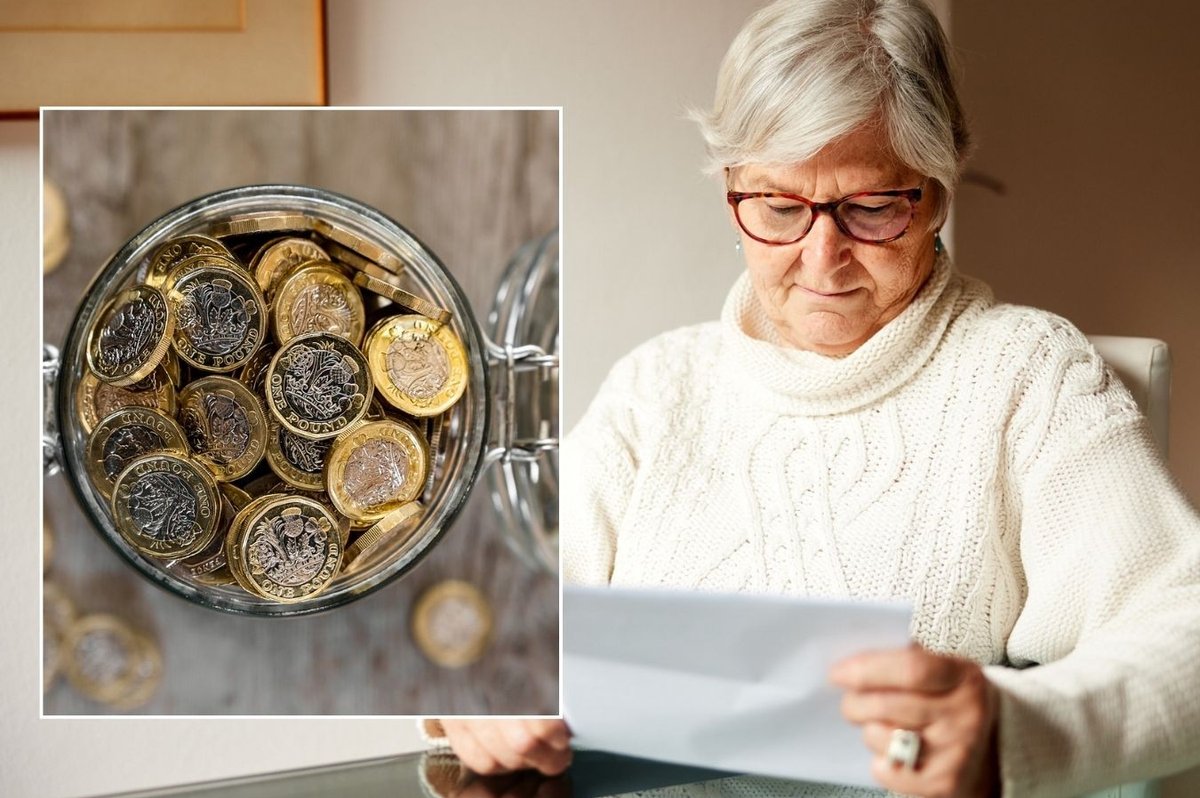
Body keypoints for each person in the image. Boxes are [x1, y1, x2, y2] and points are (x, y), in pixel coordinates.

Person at [433, 1, 1200, 795]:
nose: (822, 261)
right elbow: (479, 613)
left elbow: (1188, 622)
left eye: (871, 208)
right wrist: (476, 686)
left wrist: (1018, 728)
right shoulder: (656, 391)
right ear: (731, 189)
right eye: (779, 207)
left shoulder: (1024, 374)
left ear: (937, 192)